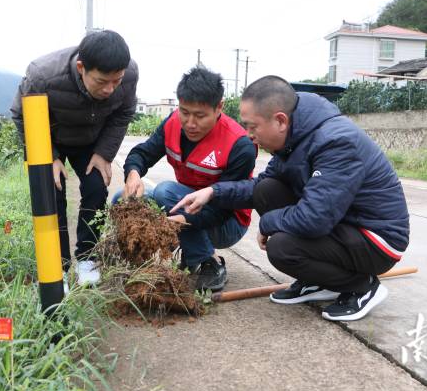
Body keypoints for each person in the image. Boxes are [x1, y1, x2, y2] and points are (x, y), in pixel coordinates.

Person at [171, 75, 409, 321]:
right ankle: (318, 281)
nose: (248, 134)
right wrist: (213, 192)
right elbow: (260, 187)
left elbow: (315, 218)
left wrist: (267, 223)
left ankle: (362, 287)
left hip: (376, 239)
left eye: (253, 127)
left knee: (282, 248)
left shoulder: (336, 142)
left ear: (280, 120)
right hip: (343, 224)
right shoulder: (295, 137)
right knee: (267, 190)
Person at [11, 30, 138, 289]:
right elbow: (20, 114)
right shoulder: (43, 75)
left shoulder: (129, 73)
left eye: (117, 81)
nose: (110, 89)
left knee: (95, 187)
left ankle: (87, 258)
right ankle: (57, 266)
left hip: (91, 141)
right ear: (81, 67)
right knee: (51, 193)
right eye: (102, 81)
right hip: (49, 138)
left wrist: (104, 153)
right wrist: (49, 156)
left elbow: (124, 113)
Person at [116, 66, 257, 291]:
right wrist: (133, 174)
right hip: (182, 204)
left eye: (200, 115)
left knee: (165, 192)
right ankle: (139, 268)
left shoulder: (239, 145)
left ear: (219, 107)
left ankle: (210, 263)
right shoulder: (172, 123)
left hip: (226, 221)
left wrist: (181, 222)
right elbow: (142, 153)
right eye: (184, 112)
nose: (190, 123)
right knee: (121, 200)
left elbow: (222, 210)